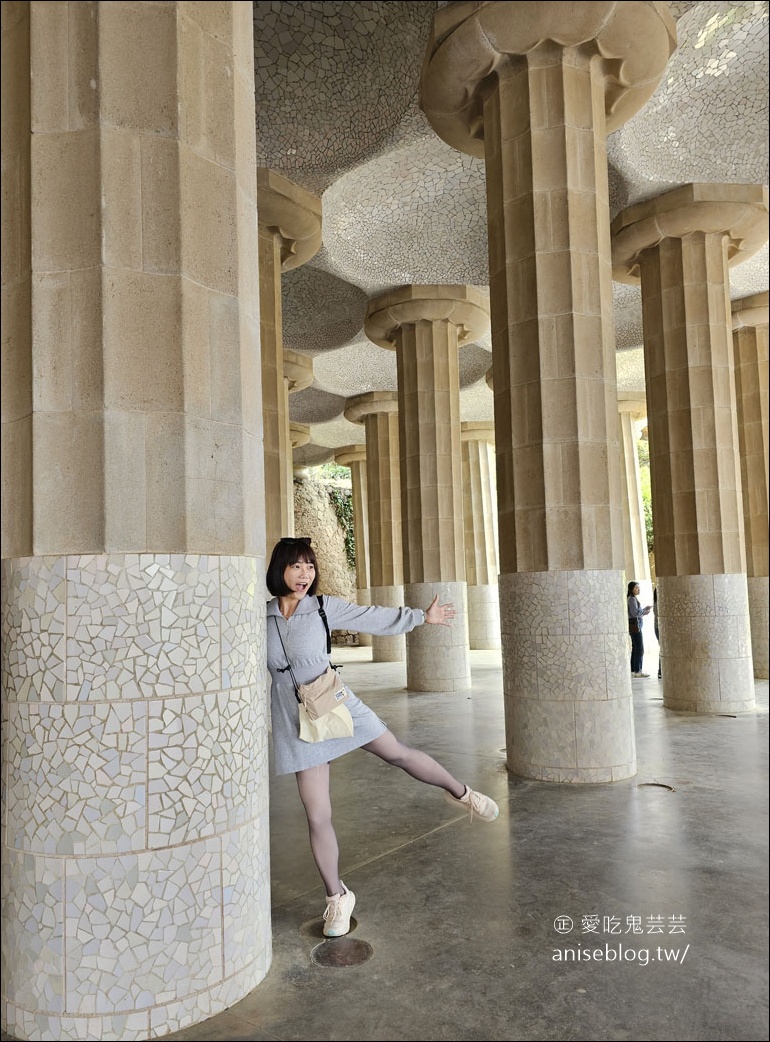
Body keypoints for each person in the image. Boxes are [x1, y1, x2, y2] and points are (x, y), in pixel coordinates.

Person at [266, 536, 500, 938]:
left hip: (334, 702)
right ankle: (337, 897)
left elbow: (370, 616)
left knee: (399, 754)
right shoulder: (262, 616)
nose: (305, 575)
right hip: (295, 721)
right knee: (317, 814)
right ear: (280, 570)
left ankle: (462, 792)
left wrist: (420, 617)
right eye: (296, 566)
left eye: (310, 566)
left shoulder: (323, 607)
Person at [627, 579, 652, 678]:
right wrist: (645, 610)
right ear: (631, 589)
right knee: (640, 648)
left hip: (634, 625)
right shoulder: (632, 599)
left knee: (635, 648)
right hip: (635, 626)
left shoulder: (632, 599)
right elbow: (635, 613)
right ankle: (638, 670)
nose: (638, 589)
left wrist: (644, 610)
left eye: (639, 588)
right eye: (636, 588)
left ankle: (633, 670)